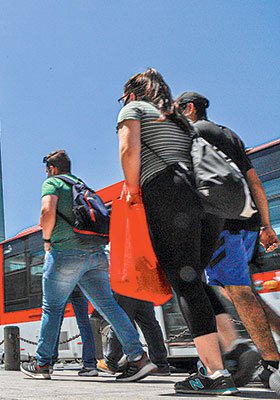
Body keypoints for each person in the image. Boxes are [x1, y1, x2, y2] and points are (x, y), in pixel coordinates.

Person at [117, 68, 240, 395]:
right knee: (195, 279)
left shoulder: (134, 108)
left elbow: (129, 150)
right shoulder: (180, 119)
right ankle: (232, 349)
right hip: (208, 200)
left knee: (184, 281)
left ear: (131, 93)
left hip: (169, 191)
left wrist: (132, 190)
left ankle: (216, 374)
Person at [20, 150, 156, 381]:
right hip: (96, 254)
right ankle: (138, 357)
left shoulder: (52, 183)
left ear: (52, 169)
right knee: (109, 307)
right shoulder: (82, 185)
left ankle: (42, 364)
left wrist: (46, 241)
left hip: (65, 252)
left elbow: (47, 211)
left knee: (52, 308)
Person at [177, 91, 280, 390]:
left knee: (238, 291)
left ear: (190, 108)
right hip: (247, 221)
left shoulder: (194, 133)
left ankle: (271, 364)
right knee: (243, 292)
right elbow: (255, 181)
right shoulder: (229, 135)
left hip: (223, 222)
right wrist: (266, 224)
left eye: (180, 110)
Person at [99, 294, 170, 376]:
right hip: (142, 287)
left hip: (124, 287)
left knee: (120, 323)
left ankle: (111, 362)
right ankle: (160, 365)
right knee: (150, 324)